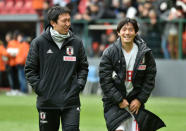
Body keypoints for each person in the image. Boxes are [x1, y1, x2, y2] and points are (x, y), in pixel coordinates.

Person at [25, 6, 88, 131]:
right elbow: (30, 70)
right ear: (53, 23)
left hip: (71, 101)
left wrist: (78, 85)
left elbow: (83, 67)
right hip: (47, 102)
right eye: (64, 21)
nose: (68, 24)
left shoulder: (77, 42)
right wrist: (41, 88)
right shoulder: (38, 43)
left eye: (69, 20)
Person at [99, 18, 165, 131]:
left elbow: (149, 79)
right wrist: (119, 100)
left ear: (136, 32)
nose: (127, 33)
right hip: (114, 104)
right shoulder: (109, 53)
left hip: (135, 104)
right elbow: (105, 81)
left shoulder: (145, 53)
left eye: (130, 29)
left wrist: (139, 100)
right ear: (118, 32)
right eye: (124, 29)